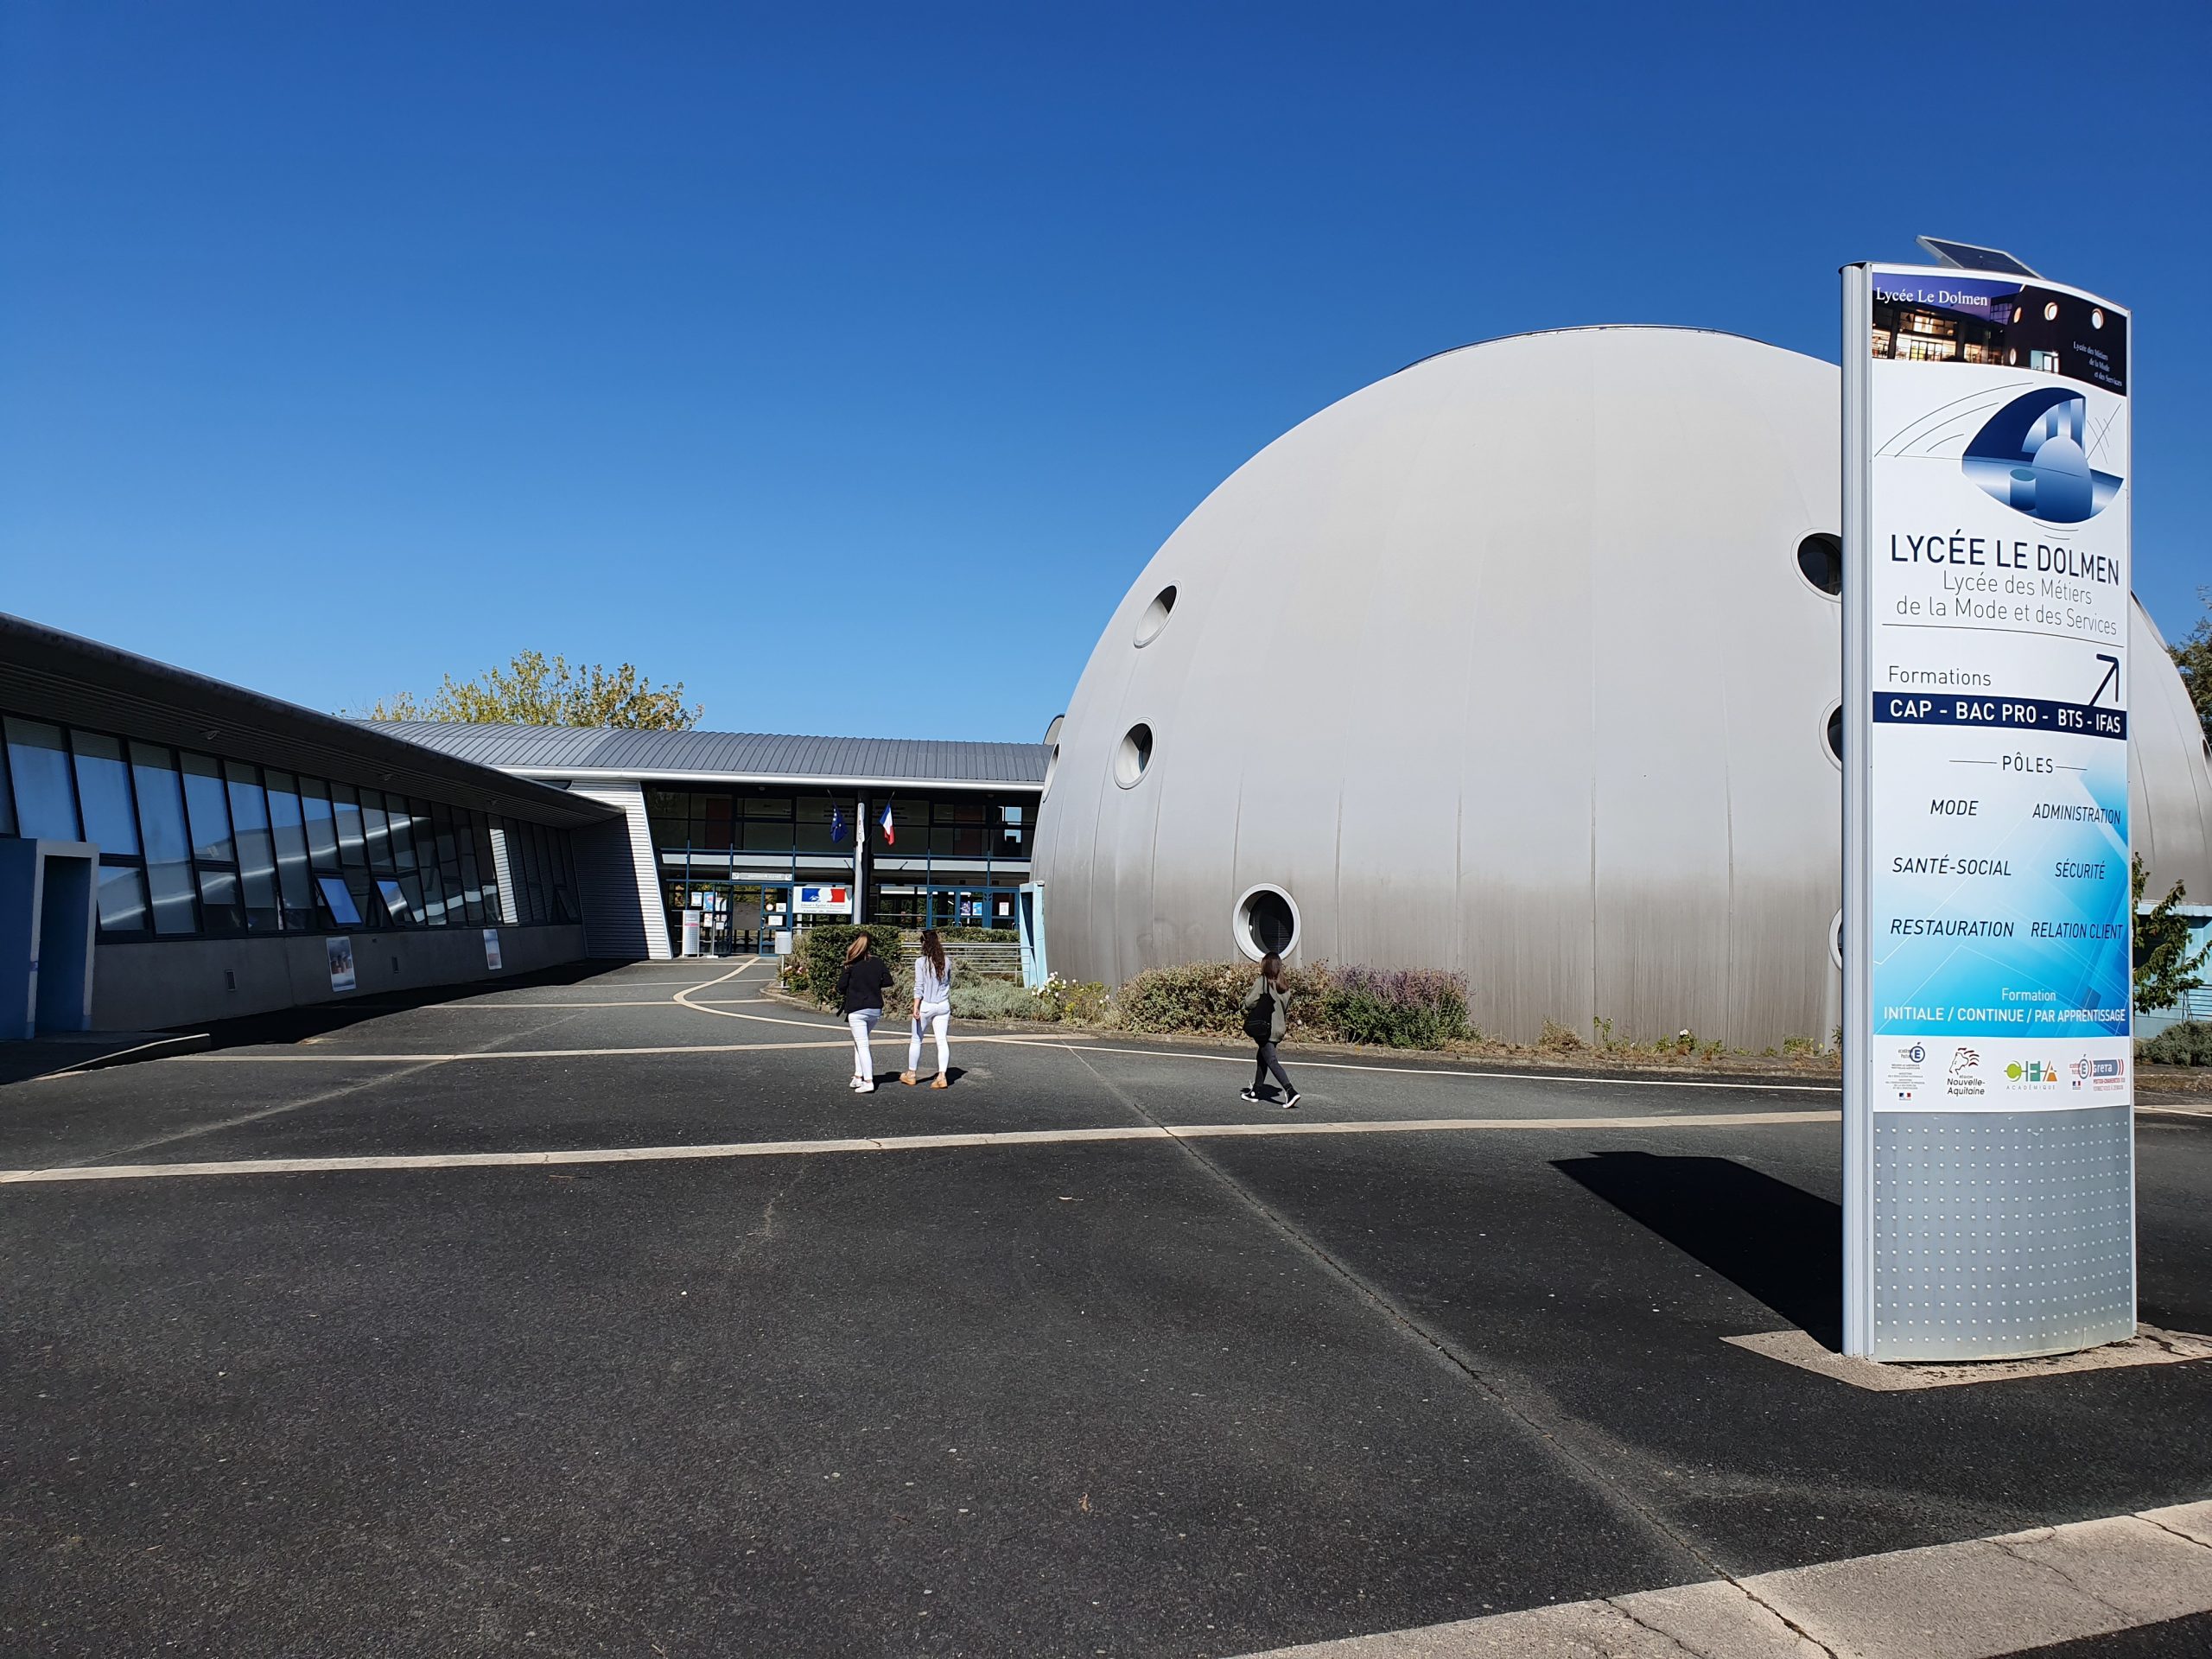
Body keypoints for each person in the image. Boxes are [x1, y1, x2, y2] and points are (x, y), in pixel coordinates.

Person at [1240, 952, 1300, 1109]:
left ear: (1265, 966)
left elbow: (1249, 1002)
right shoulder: (1284, 986)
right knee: (1262, 1058)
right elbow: (1285, 1008)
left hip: (1266, 1028)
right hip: (1279, 1028)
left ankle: (1290, 1091)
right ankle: (1256, 1092)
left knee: (1271, 1060)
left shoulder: (1262, 982)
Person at [836, 931, 893, 1092]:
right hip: (875, 1008)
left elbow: (841, 987)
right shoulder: (878, 962)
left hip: (857, 1008)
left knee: (862, 1044)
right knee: (859, 1042)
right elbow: (888, 981)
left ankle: (868, 1081)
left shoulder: (851, 964)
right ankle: (858, 1076)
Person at [902, 928, 955, 1089]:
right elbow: (948, 983)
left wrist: (915, 1006)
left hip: (926, 1004)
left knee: (917, 1039)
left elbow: (919, 986)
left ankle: (911, 1074)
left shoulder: (920, 962)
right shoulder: (947, 961)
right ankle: (942, 1076)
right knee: (941, 1040)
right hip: (943, 1005)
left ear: (924, 944)